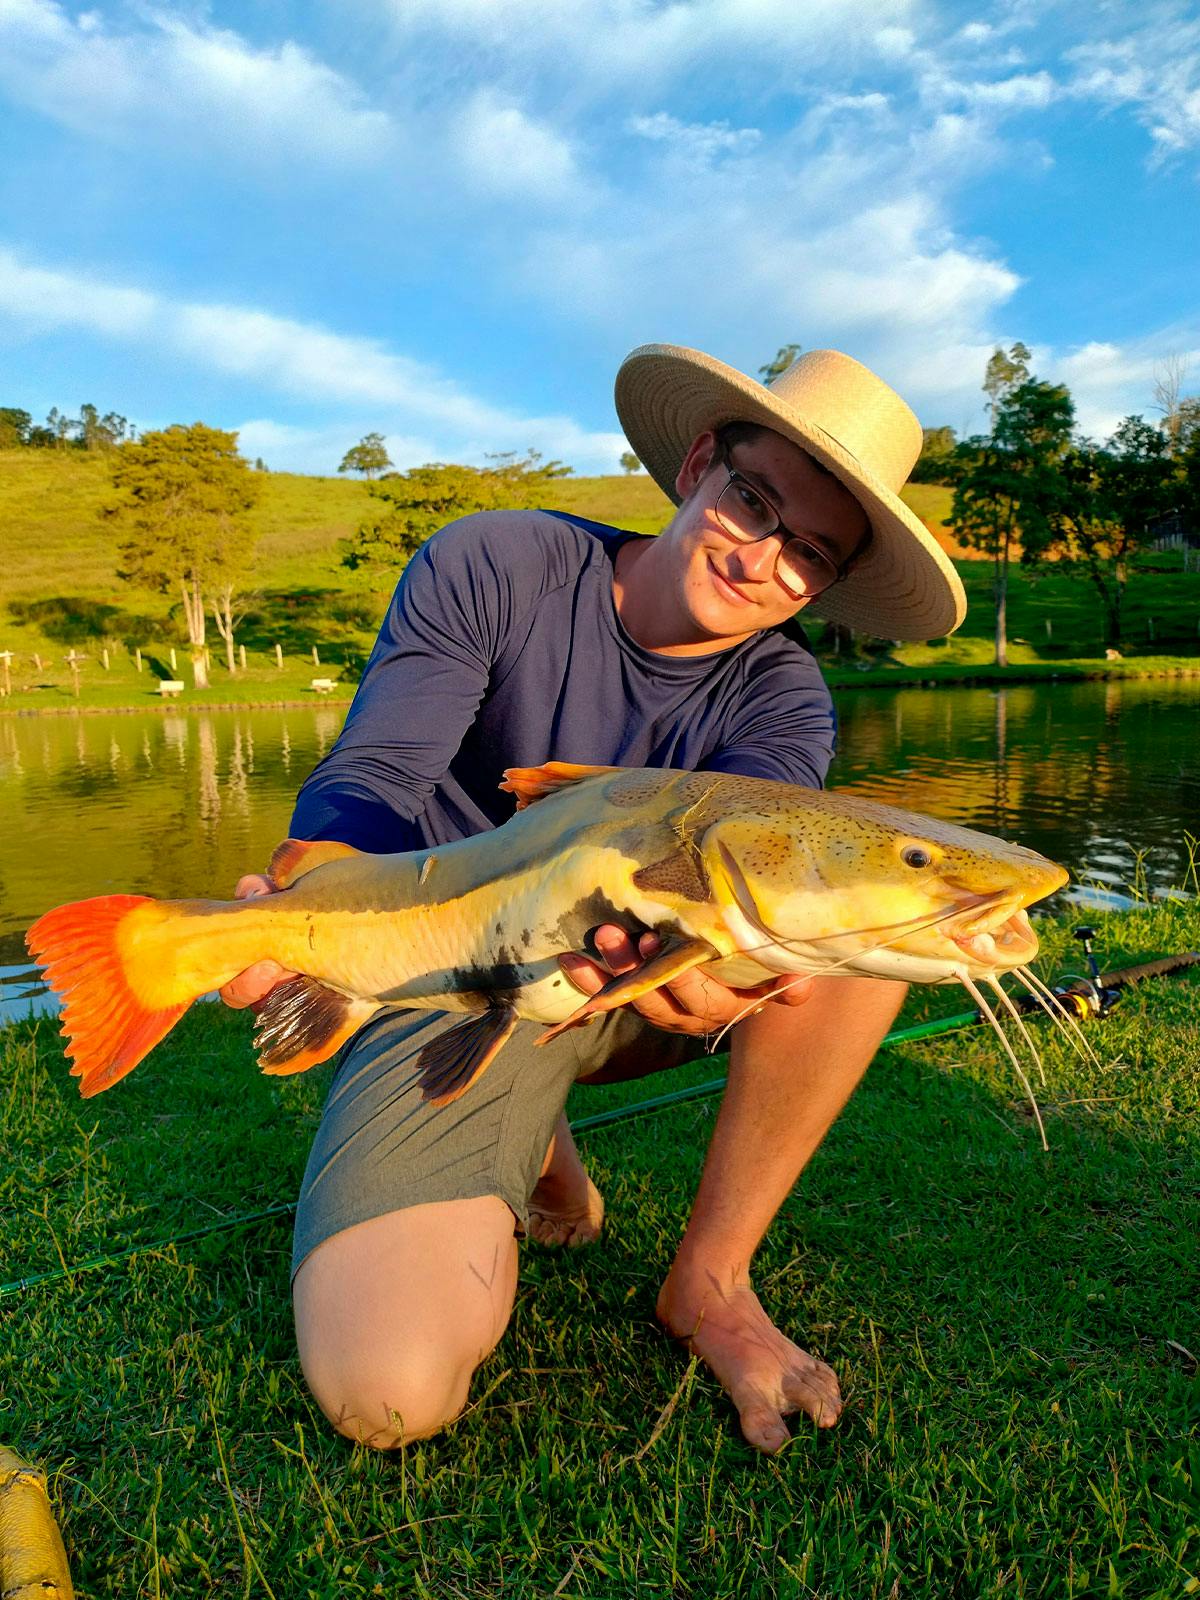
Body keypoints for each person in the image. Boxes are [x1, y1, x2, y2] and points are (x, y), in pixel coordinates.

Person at [221, 343, 966, 1455]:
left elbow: (756, 895)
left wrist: (712, 971)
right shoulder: (496, 563)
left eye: (809, 553)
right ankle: (535, 1138)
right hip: (450, 978)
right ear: (701, 464)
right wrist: (313, 888)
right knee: (387, 1388)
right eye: (754, 502)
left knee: (865, 917)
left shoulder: (784, 699)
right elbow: (378, 776)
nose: (765, 562)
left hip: (641, 977)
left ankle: (711, 1279)